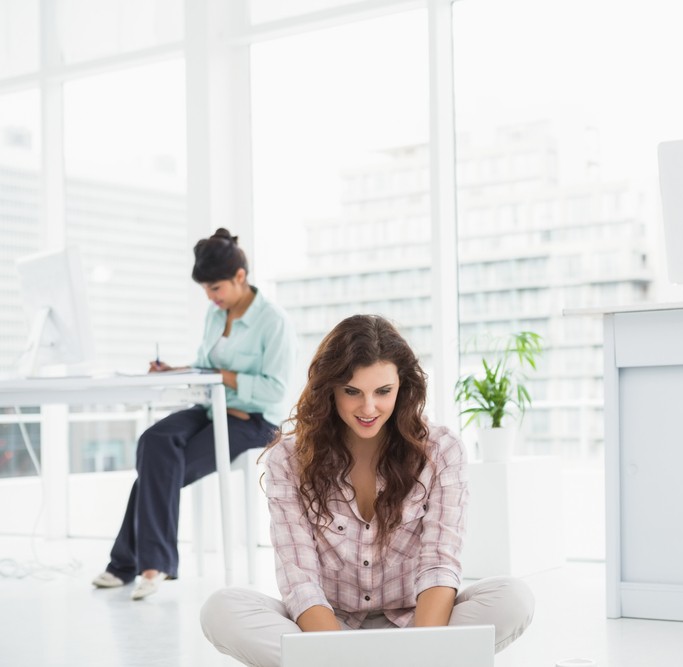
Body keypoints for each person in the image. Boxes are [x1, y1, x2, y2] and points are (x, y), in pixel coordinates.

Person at [200, 314, 534, 667]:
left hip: (416, 625)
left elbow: (439, 562)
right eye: (352, 392)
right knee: (221, 610)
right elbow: (299, 579)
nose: (368, 408)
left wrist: (427, 648)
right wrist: (340, 655)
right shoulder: (289, 458)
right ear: (329, 389)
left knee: (513, 598)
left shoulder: (441, 449)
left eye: (383, 392)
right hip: (328, 628)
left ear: (402, 387)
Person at [91, 228, 296, 600]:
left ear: (240, 277)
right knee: (154, 441)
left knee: (156, 472)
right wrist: (175, 371)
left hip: (255, 421)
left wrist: (226, 377)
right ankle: (142, 564)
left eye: (216, 288)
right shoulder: (215, 315)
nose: (210, 297)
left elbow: (276, 390)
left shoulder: (273, 321)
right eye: (205, 289)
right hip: (211, 407)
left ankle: (138, 566)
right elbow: (206, 366)